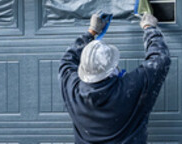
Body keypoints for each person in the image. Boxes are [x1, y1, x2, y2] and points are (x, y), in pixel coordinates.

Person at [57, 13, 171, 143]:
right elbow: (160, 59)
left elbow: (66, 61)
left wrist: (91, 31)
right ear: (112, 67)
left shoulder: (73, 90)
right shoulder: (130, 88)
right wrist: (149, 28)